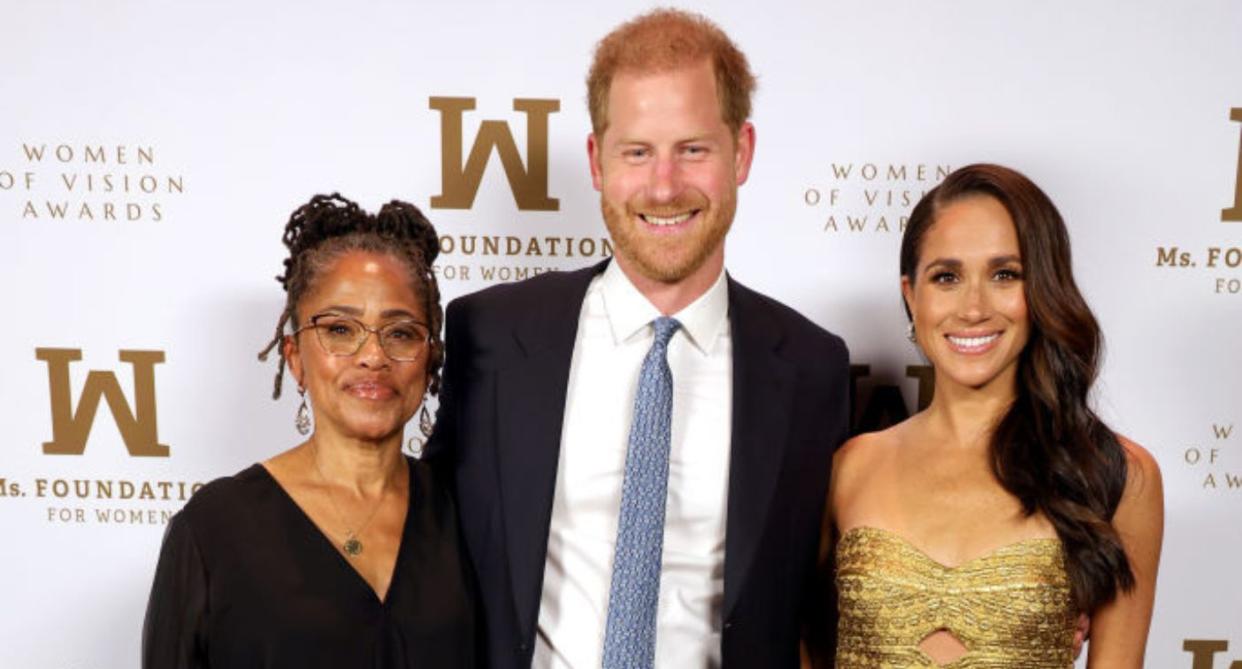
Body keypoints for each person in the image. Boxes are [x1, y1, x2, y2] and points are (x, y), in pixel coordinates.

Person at [424, 9, 850, 669]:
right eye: (638, 151)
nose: (664, 185)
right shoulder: (493, 339)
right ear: (597, 160)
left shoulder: (812, 368)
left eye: (693, 149)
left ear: (742, 152)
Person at [827, 164, 1163, 667]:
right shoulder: (851, 465)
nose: (974, 308)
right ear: (910, 295)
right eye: (947, 277)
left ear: (1043, 290)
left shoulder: (1116, 474)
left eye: (1005, 274)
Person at [142, 194, 476, 668]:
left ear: (429, 359)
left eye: (400, 332)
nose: (372, 355)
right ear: (295, 357)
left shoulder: (467, 516)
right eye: (340, 329)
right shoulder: (215, 529)